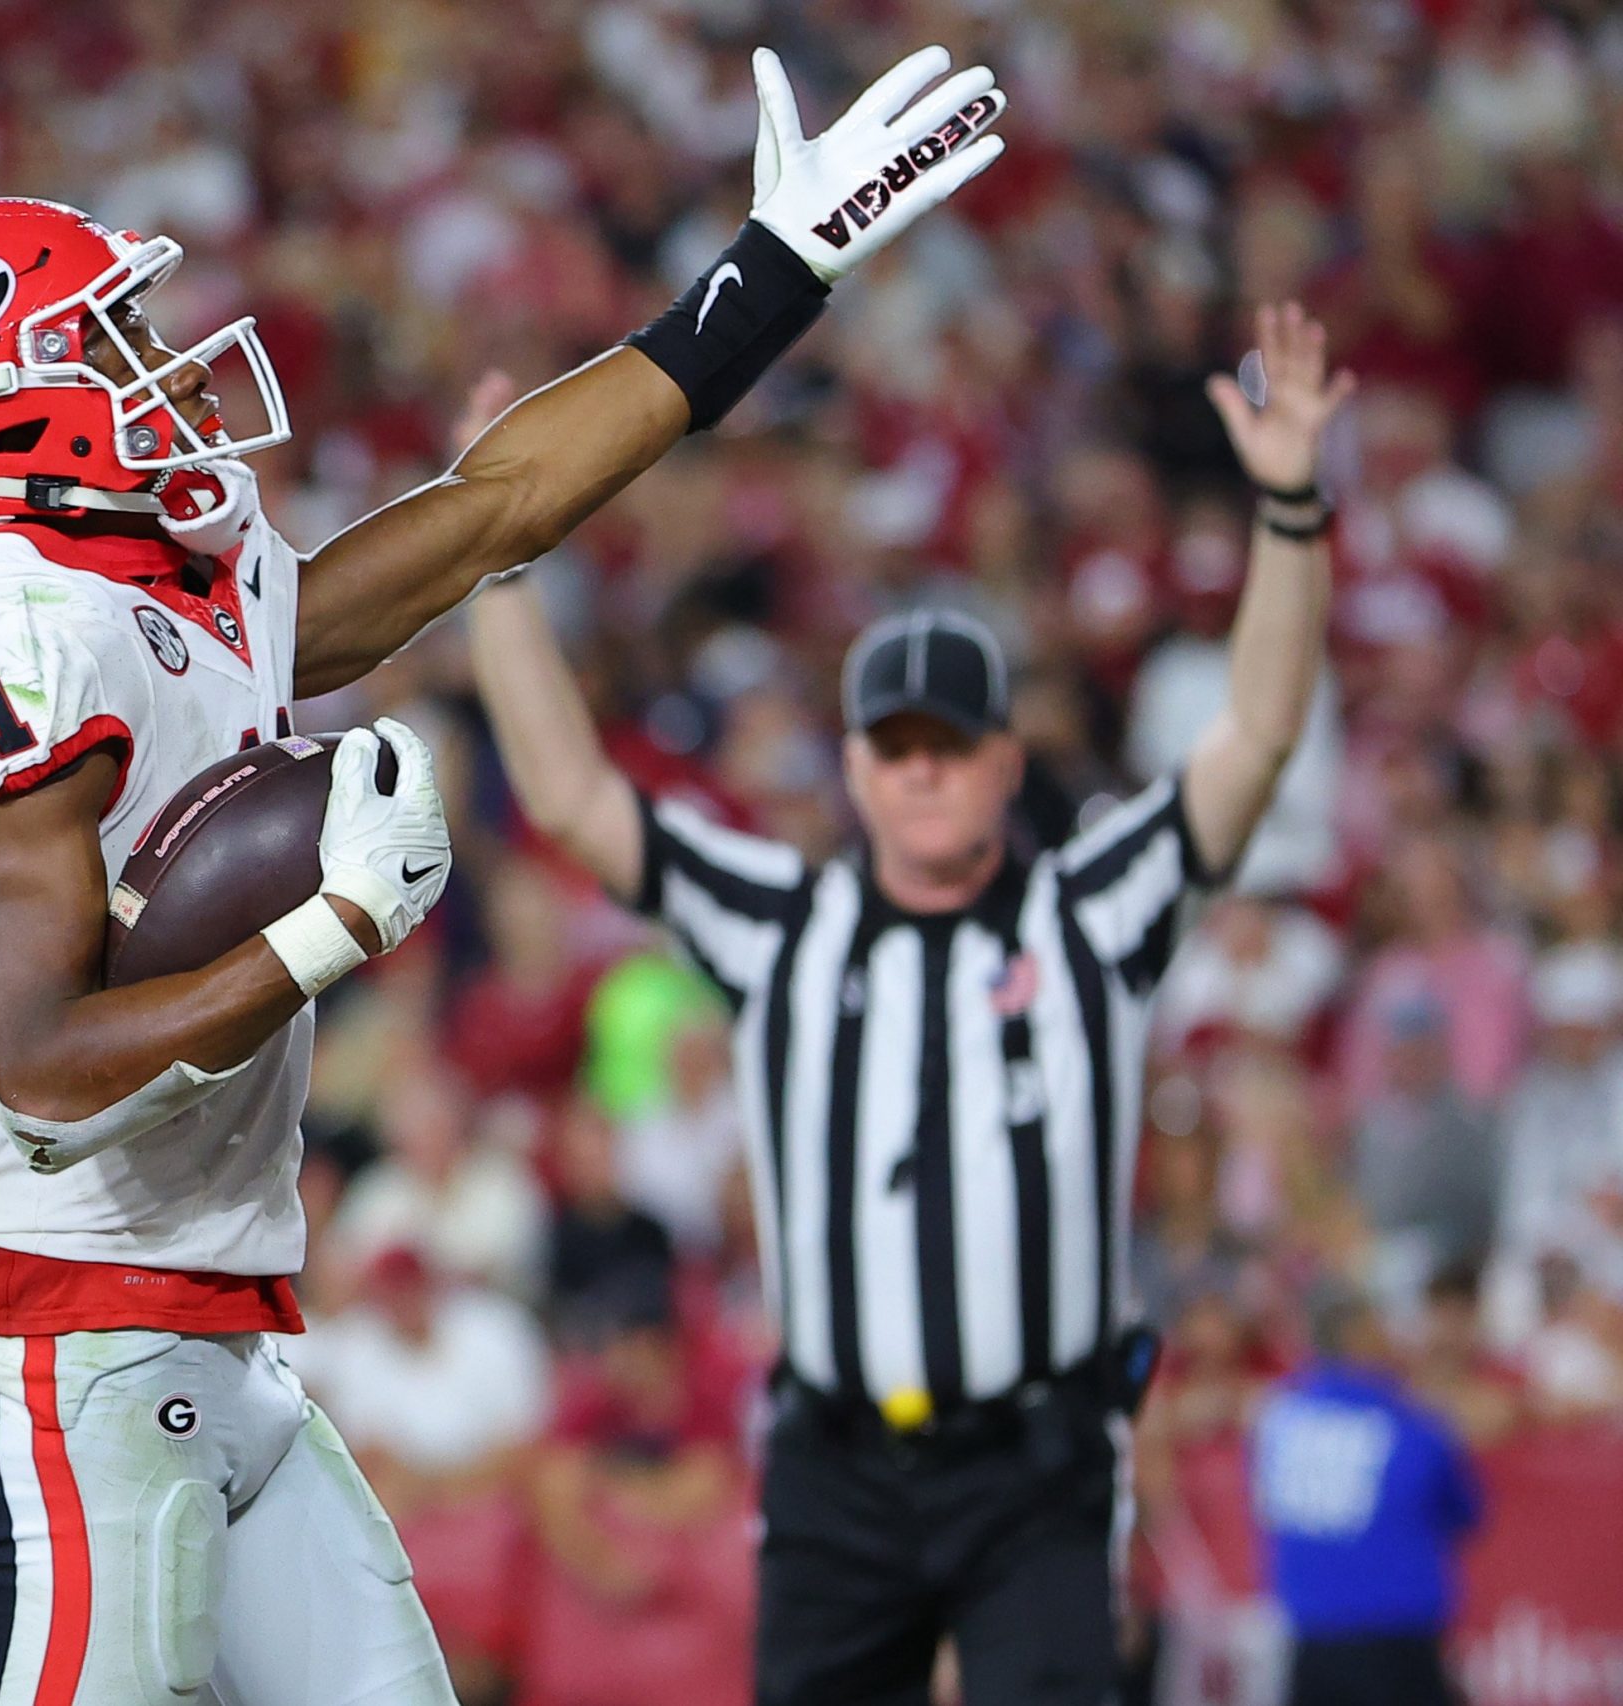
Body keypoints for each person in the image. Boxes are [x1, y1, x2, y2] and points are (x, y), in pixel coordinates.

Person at [0, 37, 1010, 1706]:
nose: (163, 362)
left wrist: (769, 275)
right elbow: (46, 1076)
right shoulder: (12, 627)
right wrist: (329, 931)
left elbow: (493, 507)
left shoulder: (168, 597)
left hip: (210, 1335)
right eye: (109, 339)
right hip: (54, 1355)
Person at [466, 302, 1354, 1705]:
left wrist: (1290, 508)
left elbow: (1251, 742)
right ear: (860, 769)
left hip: (1037, 1458)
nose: (925, 772)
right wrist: (496, 566)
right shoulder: (782, 919)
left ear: (1009, 763)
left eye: (953, 747)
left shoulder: (1091, 912)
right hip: (834, 1462)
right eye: (900, 748)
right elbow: (576, 802)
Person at [1252, 1287, 1481, 1706]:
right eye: (1380, 1329)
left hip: (1309, 1639)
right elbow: (1464, 1510)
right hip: (1394, 1638)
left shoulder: (1279, 1418)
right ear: (1358, 1339)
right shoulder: (1410, 1424)